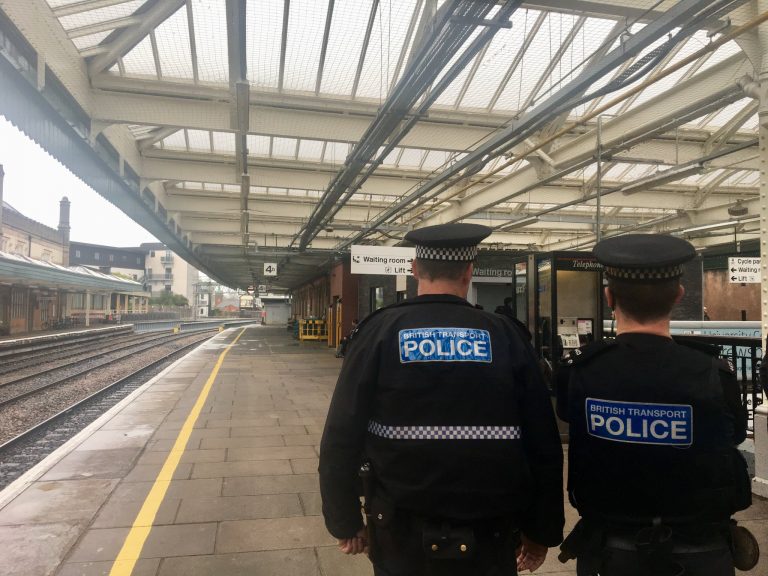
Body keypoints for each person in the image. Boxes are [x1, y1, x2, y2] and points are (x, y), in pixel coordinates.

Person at [319, 223, 564, 576]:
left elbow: (341, 435)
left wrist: (344, 521)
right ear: (469, 270)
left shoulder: (379, 333)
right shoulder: (506, 336)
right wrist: (541, 531)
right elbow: (543, 443)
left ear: (415, 269)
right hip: (491, 532)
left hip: (399, 532)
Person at [556, 234, 754, 576]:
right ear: (678, 295)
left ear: (609, 297)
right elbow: (735, 433)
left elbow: (567, 418)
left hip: (608, 552)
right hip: (700, 552)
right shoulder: (712, 372)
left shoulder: (582, 372)